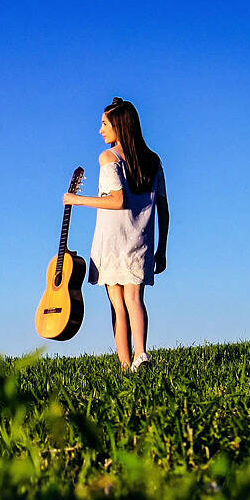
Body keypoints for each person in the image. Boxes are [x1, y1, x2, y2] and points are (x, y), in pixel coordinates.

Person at [62, 97, 169, 372]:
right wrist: (162, 249)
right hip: (141, 241)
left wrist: (77, 199)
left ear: (120, 126)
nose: (100, 130)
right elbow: (163, 208)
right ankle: (141, 355)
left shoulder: (109, 158)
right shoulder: (153, 161)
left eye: (104, 124)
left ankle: (125, 365)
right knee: (135, 300)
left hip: (113, 242)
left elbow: (117, 200)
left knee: (118, 306)